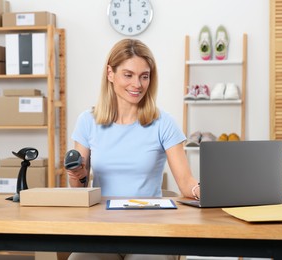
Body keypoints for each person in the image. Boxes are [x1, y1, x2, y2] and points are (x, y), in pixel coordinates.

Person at [67, 39, 200, 260]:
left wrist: (203, 191)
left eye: (144, 76)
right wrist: (77, 175)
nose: (137, 84)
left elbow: (186, 183)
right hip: (101, 233)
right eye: (128, 75)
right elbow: (78, 189)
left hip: (149, 233)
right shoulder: (87, 121)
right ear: (110, 73)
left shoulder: (163, 123)